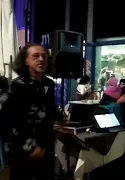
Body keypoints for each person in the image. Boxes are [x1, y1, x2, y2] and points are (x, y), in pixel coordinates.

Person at [0, 43, 60, 180]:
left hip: (46, 149)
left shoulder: (48, 85)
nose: (41, 59)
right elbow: (5, 122)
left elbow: (45, 111)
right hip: (23, 151)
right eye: (35, 56)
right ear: (26, 60)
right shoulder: (15, 87)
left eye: (44, 56)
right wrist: (29, 148)